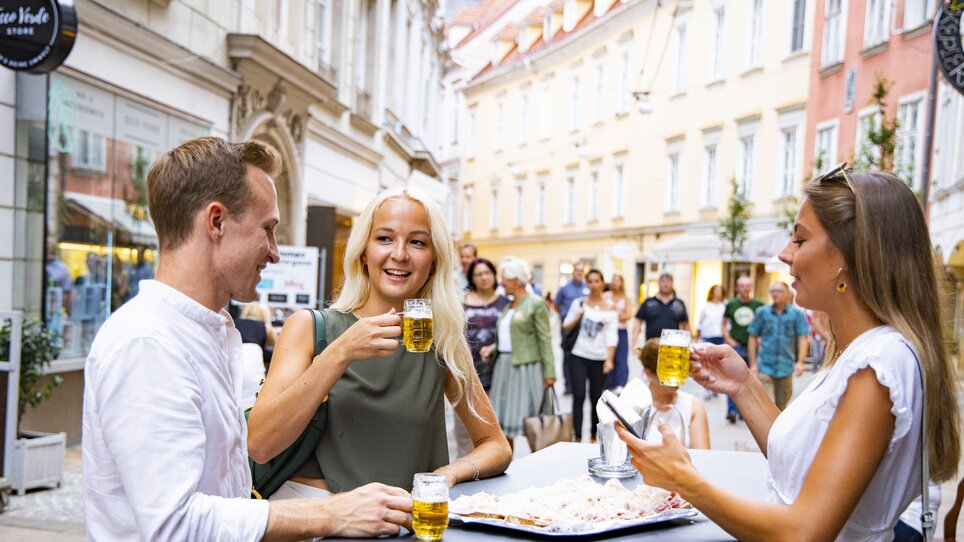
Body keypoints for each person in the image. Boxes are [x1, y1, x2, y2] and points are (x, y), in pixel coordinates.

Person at [82, 137, 413, 540]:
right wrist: (330, 514)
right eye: (268, 229)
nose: (275, 253)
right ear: (216, 222)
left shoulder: (202, 331)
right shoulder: (148, 342)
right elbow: (174, 525)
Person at [616, 167, 961, 541]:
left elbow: (804, 532)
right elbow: (803, 462)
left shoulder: (878, 364)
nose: (784, 253)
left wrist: (684, 480)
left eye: (799, 239)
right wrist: (743, 386)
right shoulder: (862, 350)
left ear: (850, 254)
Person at [247, 187, 511, 496]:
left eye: (417, 242)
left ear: (434, 259)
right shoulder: (310, 328)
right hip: (316, 513)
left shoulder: (441, 340)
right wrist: (341, 352)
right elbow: (259, 444)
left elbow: (495, 445)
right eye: (385, 238)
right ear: (363, 251)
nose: (399, 254)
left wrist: (447, 474)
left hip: (402, 517)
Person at [481, 257, 555, 450]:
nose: (501, 282)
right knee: (503, 424)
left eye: (504, 278)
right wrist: (493, 348)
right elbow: (509, 337)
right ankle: (507, 462)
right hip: (503, 368)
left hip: (525, 368)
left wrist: (549, 373)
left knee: (530, 421)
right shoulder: (509, 306)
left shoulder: (535, 303)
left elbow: (545, 339)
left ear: (516, 279)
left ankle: (538, 461)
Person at [562, 268, 617, 443]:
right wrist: (578, 317)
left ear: (602, 283)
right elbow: (565, 326)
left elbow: (612, 336)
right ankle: (577, 436)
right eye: (590, 281)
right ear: (587, 284)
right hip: (578, 355)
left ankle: (594, 435)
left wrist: (609, 359)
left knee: (596, 398)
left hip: (599, 358)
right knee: (578, 395)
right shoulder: (579, 303)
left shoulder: (610, 308)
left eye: (596, 281)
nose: (593, 285)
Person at [636, 338, 710, 449]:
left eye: (680, 368)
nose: (676, 377)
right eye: (669, 370)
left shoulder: (693, 407)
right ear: (648, 372)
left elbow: (703, 455)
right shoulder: (635, 405)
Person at [747, 282, 809, 410]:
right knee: (766, 407)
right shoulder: (762, 312)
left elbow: (802, 338)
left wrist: (800, 362)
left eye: (779, 291)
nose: (775, 294)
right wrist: (753, 364)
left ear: (787, 294)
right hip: (765, 367)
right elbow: (752, 337)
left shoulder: (796, 314)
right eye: (773, 291)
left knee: (781, 408)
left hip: (785, 368)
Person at [721, 275, 764, 423]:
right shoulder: (731, 304)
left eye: (748, 286)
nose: (746, 289)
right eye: (743, 286)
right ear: (737, 288)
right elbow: (723, 324)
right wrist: (729, 340)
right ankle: (732, 411)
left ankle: (743, 412)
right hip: (736, 346)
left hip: (753, 348)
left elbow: (763, 325)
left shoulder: (758, 305)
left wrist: (760, 339)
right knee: (732, 378)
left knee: (749, 380)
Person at [464, 258, 510, 390]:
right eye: (478, 274)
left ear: (494, 274)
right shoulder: (461, 302)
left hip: (498, 366)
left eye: (487, 272)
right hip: (468, 367)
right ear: (471, 278)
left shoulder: (506, 303)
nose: (484, 277)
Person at [555, 262, 589, 394]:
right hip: (568, 326)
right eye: (577, 271)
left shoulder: (587, 287)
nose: (579, 273)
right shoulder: (564, 289)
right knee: (567, 354)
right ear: (573, 272)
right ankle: (568, 384)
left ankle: (580, 383)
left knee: (581, 353)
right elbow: (557, 305)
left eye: (581, 271)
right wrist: (565, 316)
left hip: (583, 326)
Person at [631, 272, 689, 347]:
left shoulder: (679, 303)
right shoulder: (648, 302)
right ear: (658, 283)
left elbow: (686, 325)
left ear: (672, 283)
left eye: (668, 281)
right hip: (651, 346)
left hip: (672, 347)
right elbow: (637, 322)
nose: (665, 284)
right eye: (663, 281)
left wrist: (688, 343)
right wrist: (635, 342)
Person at [603, 273, 633, 393]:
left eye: (618, 280)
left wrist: (615, 313)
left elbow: (628, 315)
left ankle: (620, 382)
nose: (615, 283)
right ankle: (608, 382)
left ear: (622, 282)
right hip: (608, 330)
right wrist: (617, 314)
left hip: (621, 330)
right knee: (609, 356)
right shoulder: (606, 296)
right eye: (614, 280)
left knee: (621, 356)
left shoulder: (626, 298)